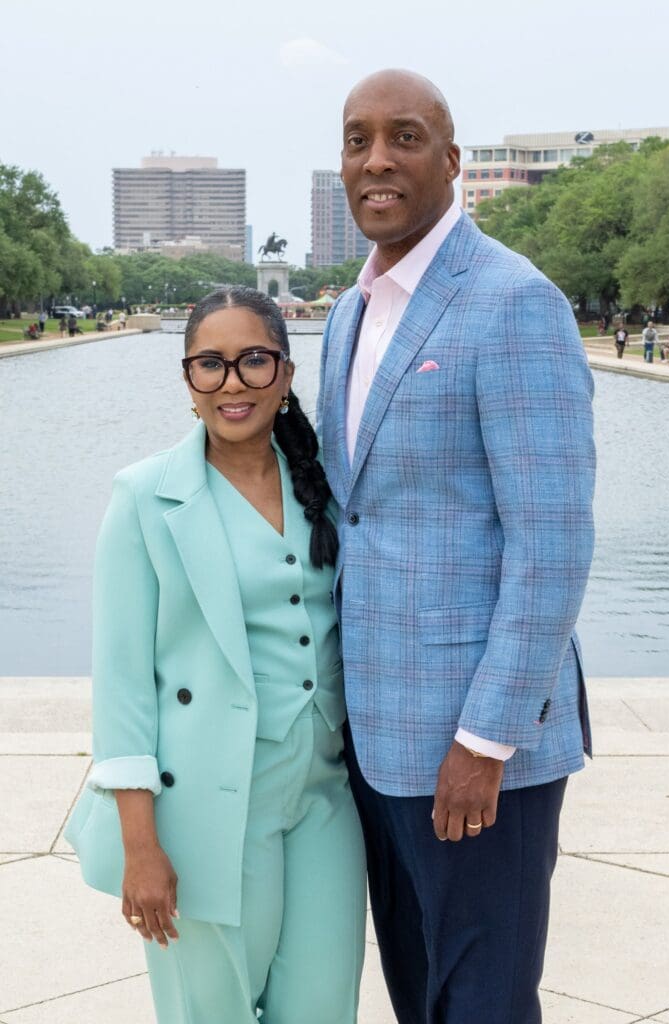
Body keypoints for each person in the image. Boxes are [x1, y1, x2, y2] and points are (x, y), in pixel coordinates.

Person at [317, 69, 595, 1024]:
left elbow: (551, 541)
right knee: (418, 994)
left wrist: (485, 739)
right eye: (357, 140)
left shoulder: (512, 302)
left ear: (451, 161)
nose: (377, 160)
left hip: (475, 755)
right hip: (376, 739)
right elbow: (354, 511)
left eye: (404, 137)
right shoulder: (352, 312)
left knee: (481, 1003)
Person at [65, 286, 366, 1023]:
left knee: (323, 1008)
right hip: (202, 807)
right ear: (187, 380)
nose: (232, 383)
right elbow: (125, 689)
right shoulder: (143, 497)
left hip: (325, 798)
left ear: (286, 374)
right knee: (214, 1012)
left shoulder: (327, 482)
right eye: (210, 365)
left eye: (254, 361)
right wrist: (142, 848)